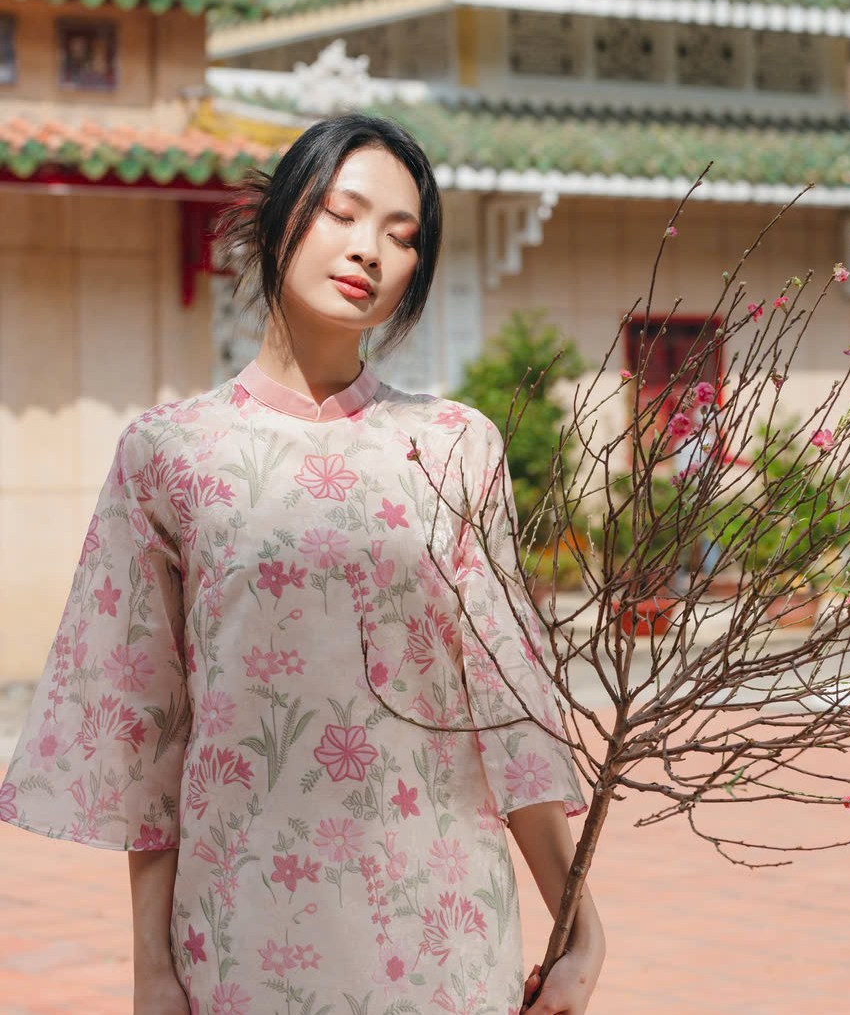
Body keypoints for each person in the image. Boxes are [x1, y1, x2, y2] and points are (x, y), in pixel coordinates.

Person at [0, 114, 605, 1015]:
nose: (370, 251)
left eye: (402, 238)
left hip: (444, 931)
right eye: (342, 212)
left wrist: (580, 928)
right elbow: (148, 732)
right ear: (281, 215)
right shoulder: (171, 453)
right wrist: (151, 969)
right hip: (246, 931)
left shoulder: (453, 447)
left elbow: (508, 711)